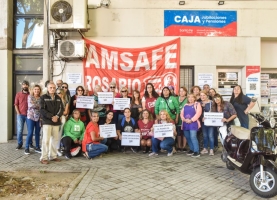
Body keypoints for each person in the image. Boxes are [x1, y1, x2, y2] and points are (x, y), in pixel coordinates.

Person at [39, 83, 64, 164]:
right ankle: (44, 158)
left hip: (56, 122)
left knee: (55, 140)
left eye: (54, 88)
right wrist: (51, 117)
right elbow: (42, 109)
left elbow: (61, 108)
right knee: (46, 140)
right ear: (47, 88)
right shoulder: (43, 97)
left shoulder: (58, 98)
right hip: (47, 121)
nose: (52, 89)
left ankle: (53, 156)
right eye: (51, 87)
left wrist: (57, 116)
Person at [181, 93, 202, 158]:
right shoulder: (185, 105)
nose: (190, 98)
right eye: (189, 97)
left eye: (192, 97)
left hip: (193, 123)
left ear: (194, 98)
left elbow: (198, 113)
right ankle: (192, 149)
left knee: (193, 137)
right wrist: (184, 119)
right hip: (185, 123)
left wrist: (191, 120)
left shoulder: (197, 104)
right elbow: (181, 114)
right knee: (187, 137)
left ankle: (196, 151)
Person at [24, 85, 42, 155]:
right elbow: (31, 105)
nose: (36, 90)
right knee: (30, 132)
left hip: (38, 117)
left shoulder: (41, 98)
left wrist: (36, 105)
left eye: (38, 89)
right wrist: (38, 105)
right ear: (33, 90)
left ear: (40, 90)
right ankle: (26, 148)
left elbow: (41, 107)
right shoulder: (30, 97)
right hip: (30, 117)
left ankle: (37, 147)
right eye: (35, 89)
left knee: (37, 133)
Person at [14, 80, 30, 150]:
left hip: (29, 115)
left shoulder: (30, 94)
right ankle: (20, 144)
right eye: (24, 85)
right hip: (21, 115)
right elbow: (16, 104)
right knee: (20, 130)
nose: (25, 86)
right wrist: (18, 113)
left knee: (30, 130)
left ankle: (30, 143)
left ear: (28, 86)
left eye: (26, 85)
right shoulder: (18, 94)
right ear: (22, 86)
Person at [200, 91, 215, 156]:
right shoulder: (199, 103)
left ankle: (211, 149)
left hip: (210, 122)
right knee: (205, 135)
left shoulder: (211, 102)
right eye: (201, 95)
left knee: (211, 135)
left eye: (204, 95)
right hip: (203, 122)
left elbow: (214, 111)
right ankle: (205, 148)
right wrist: (201, 118)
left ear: (207, 95)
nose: (202, 97)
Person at [56, 88, 69, 155]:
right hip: (55, 118)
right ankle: (52, 149)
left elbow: (65, 112)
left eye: (59, 93)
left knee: (60, 134)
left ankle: (57, 148)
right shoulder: (54, 100)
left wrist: (60, 114)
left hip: (62, 119)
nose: (58, 94)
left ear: (62, 94)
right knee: (53, 134)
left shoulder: (65, 102)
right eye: (57, 93)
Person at [176, 86, 188, 152]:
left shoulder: (187, 99)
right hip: (178, 118)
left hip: (185, 118)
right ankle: (179, 146)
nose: (181, 92)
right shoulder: (176, 98)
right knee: (178, 133)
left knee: (184, 133)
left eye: (183, 91)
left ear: (186, 92)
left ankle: (184, 146)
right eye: (180, 91)